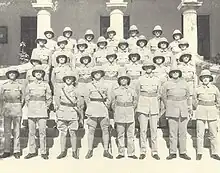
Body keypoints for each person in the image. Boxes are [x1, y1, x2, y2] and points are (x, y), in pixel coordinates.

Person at [161, 66, 192, 160]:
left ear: (179, 73)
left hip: (183, 109)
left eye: (177, 72)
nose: (175, 74)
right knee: (172, 132)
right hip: (172, 109)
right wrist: (168, 105)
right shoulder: (166, 84)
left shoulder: (185, 83)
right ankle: (173, 152)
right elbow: (163, 96)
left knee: (182, 132)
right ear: (170, 74)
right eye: (173, 72)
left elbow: (188, 96)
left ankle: (183, 152)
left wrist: (189, 108)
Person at [84, 66, 113, 159]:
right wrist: (90, 106)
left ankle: (106, 150)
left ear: (102, 74)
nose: (97, 74)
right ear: (92, 74)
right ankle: (89, 149)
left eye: (99, 72)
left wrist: (106, 106)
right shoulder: (89, 85)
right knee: (91, 130)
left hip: (103, 107)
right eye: (95, 73)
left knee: (105, 130)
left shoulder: (107, 85)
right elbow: (86, 98)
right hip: (92, 108)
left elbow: (109, 98)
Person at [24, 65, 52, 160]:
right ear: (34, 74)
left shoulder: (46, 85)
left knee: (42, 132)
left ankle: (43, 152)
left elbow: (49, 98)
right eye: (36, 72)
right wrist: (30, 105)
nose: (38, 74)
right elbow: (26, 97)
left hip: (42, 110)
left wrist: (46, 107)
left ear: (43, 74)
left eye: (40, 72)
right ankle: (32, 151)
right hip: (32, 110)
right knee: (31, 132)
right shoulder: (30, 85)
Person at [56, 71, 83, 159]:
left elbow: (80, 104)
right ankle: (62, 151)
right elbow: (57, 101)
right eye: (66, 78)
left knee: (73, 133)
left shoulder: (76, 90)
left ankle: (74, 151)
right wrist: (58, 111)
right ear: (64, 80)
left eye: (70, 78)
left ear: (73, 80)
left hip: (72, 112)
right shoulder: (60, 89)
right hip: (62, 112)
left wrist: (80, 116)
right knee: (63, 133)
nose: (68, 79)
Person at [136, 62, 161, 160]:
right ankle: (143, 151)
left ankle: (155, 151)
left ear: (152, 68)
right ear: (144, 68)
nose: (148, 69)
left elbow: (159, 93)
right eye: (146, 67)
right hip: (143, 104)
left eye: (150, 67)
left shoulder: (157, 79)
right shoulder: (140, 79)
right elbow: (137, 93)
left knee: (154, 129)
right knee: (143, 129)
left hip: (154, 104)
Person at [194, 69, 220, 161]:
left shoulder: (214, 89)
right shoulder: (198, 89)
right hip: (201, 111)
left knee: (213, 133)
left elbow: (218, 100)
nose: (205, 79)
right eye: (203, 77)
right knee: (199, 133)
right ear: (201, 79)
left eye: (207, 77)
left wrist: (215, 108)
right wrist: (199, 106)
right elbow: (194, 100)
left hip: (212, 111)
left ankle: (215, 152)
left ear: (210, 78)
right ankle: (199, 152)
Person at [111, 71, 138, 159]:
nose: (123, 81)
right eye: (121, 79)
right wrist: (117, 111)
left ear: (128, 80)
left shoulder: (132, 90)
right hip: (119, 113)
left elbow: (135, 102)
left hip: (130, 113)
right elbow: (113, 104)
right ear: (119, 80)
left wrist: (130, 109)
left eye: (125, 79)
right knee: (120, 134)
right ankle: (121, 152)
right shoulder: (115, 91)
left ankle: (131, 153)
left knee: (130, 135)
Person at [0, 67, 25, 159]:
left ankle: (16, 150)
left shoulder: (20, 85)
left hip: (17, 108)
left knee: (16, 131)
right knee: (7, 131)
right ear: (7, 75)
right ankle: (7, 150)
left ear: (16, 75)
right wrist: (2, 109)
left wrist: (18, 106)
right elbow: (1, 98)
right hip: (7, 109)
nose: (12, 75)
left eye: (14, 73)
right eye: (10, 73)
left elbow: (23, 99)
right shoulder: (3, 85)